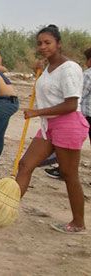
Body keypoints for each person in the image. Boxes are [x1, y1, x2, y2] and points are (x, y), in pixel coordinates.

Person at [15, 25, 89, 234]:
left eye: (48, 42)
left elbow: (71, 105)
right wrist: (37, 70)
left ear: (59, 44)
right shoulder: (46, 69)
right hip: (49, 126)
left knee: (68, 174)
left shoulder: (70, 68)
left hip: (68, 124)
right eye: (39, 43)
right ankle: (7, 209)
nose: (43, 46)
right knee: (25, 164)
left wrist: (36, 112)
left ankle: (78, 223)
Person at [44, 46, 91, 179]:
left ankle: (62, 169)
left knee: (66, 147)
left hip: (82, 115)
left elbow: (78, 96)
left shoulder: (87, 75)